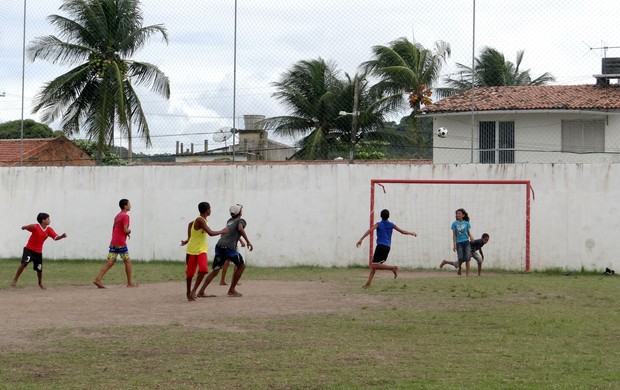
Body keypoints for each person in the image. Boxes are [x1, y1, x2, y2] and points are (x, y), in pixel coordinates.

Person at [196, 204, 253, 298]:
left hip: (219, 245)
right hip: (229, 247)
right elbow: (240, 229)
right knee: (241, 266)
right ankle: (232, 290)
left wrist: (241, 240)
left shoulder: (229, 221)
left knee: (215, 270)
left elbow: (232, 232)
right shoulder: (241, 221)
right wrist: (248, 242)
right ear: (239, 212)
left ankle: (201, 291)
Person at [356, 209, 417, 288]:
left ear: (381, 216)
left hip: (380, 246)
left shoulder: (378, 224)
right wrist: (411, 233)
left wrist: (361, 239)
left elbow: (370, 230)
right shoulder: (391, 225)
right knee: (375, 265)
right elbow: (402, 231)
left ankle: (392, 268)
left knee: (374, 265)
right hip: (387, 247)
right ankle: (368, 284)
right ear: (388, 216)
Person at [180, 202, 228, 301]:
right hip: (192, 250)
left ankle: (194, 291)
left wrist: (187, 240)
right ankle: (188, 292)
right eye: (210, 208)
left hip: (202, 250)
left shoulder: (198, 221)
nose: (211, 210)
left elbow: (190, 227)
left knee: (203, 269)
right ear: (207, 210)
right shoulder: (200, 220)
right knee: (190, 274)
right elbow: (210, 233)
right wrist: (222, 231)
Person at [11, 213, 67, 289]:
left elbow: (55, 237)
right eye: (48, 219)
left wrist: (61, 236)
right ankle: (15, 279)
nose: (49, 220)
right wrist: (27, 226)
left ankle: (40, 282)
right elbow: (22, 228)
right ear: (43, 220)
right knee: (24, 263)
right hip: (29, 249)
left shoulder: (49, 229)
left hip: (38, 252)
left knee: (39, 269)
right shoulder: (35, 226)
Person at [93, 199, 137, 288]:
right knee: (127, 261)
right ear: (125, 206)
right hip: (121, 243)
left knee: (111, 261)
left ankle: (98, 279)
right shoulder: (125, 216)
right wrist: (129, 231)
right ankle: (130, 283)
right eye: (129, 204)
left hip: (114, 242)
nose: (130, 205)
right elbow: (125, 229)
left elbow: (115, 229)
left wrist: (124, 234)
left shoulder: (117, 216)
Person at [447, 208, 475, 276]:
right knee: (460, 258)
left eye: (459, 213)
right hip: (459, 243)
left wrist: (471, 236)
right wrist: (454, 245)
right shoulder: (454, 224)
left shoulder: (466, 223)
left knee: (468, 257)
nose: (458, 215)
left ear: (463, 215)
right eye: (457, 213)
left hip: (466, 242)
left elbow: (468, 232)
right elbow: (454, 235)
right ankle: (459, 269)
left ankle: (467, 273)